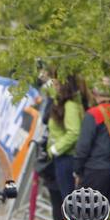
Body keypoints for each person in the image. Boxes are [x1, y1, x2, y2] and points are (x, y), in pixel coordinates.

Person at [74, 76, 110, 220]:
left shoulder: (93, 114)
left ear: (95, 94)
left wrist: (78, 171)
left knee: (84, 214)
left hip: (95, 170)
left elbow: (83, 147)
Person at [44, 73, 85, 212]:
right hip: (61, 158)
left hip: (66, 159)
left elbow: (74, 132)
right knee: (61, 202)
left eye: (56, 85)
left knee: (68, 204)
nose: (53, 87)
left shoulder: (70, 105)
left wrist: (56, 148)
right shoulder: (62, 103)